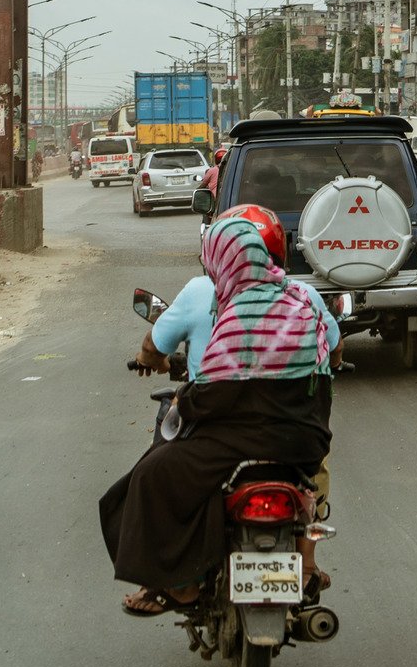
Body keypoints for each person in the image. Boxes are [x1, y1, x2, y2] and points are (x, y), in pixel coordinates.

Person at [101, 212, 340, 616]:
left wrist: (185, 401)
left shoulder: (237, 311)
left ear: (222, 264)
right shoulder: (301, 299)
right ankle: (306, 564)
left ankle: (180, 586)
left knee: (149, 477)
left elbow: (214, 397)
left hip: (240, 442)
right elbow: (326, 367)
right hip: (305, 443)